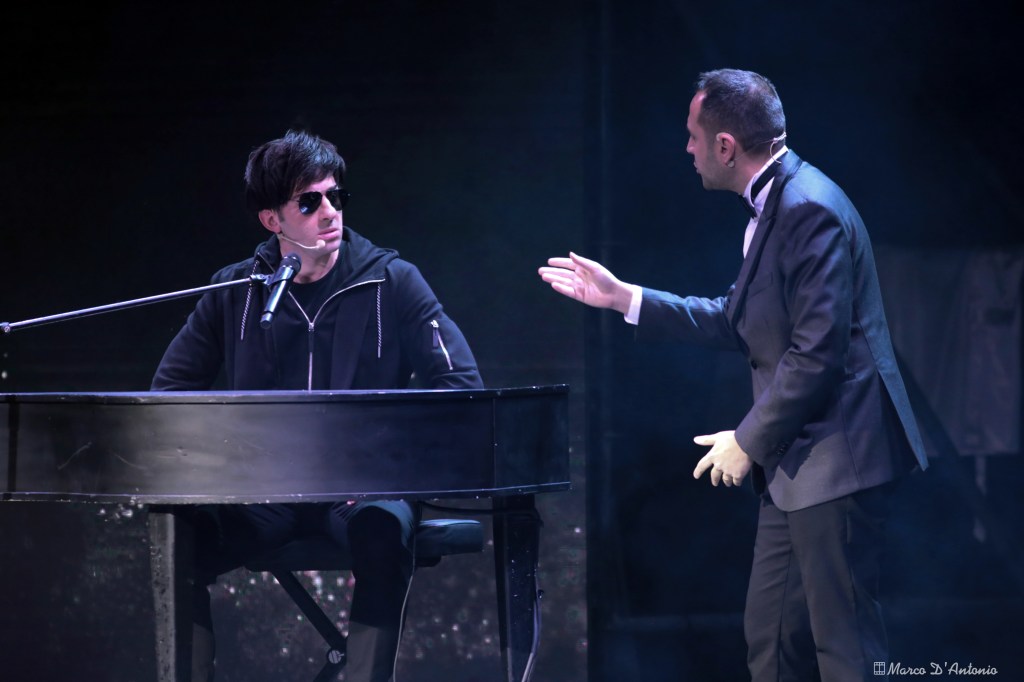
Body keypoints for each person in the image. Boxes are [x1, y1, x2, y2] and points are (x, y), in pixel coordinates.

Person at [539, 68, 928, 681]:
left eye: (693, 136)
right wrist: (624, 298)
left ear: (725, 146)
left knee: (846, 649)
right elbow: (736, 319)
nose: (686, 148)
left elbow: (817, 353)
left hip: (837, 461)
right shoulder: (775, 205)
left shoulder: (808, 209)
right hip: (794, 465)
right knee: (770, 641)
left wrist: (747, 440)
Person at [151, 129, 482, 682]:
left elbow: (460, 387)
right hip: (263, 494)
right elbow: (168, 395)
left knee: (382, 529)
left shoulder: (392, 281)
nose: (330, 211)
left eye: (335, 196)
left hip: (360, 491)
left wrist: (384, 460)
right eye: (309, 202)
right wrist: (229, 463)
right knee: (179, 541)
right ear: (272, 220)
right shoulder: (235, 291)